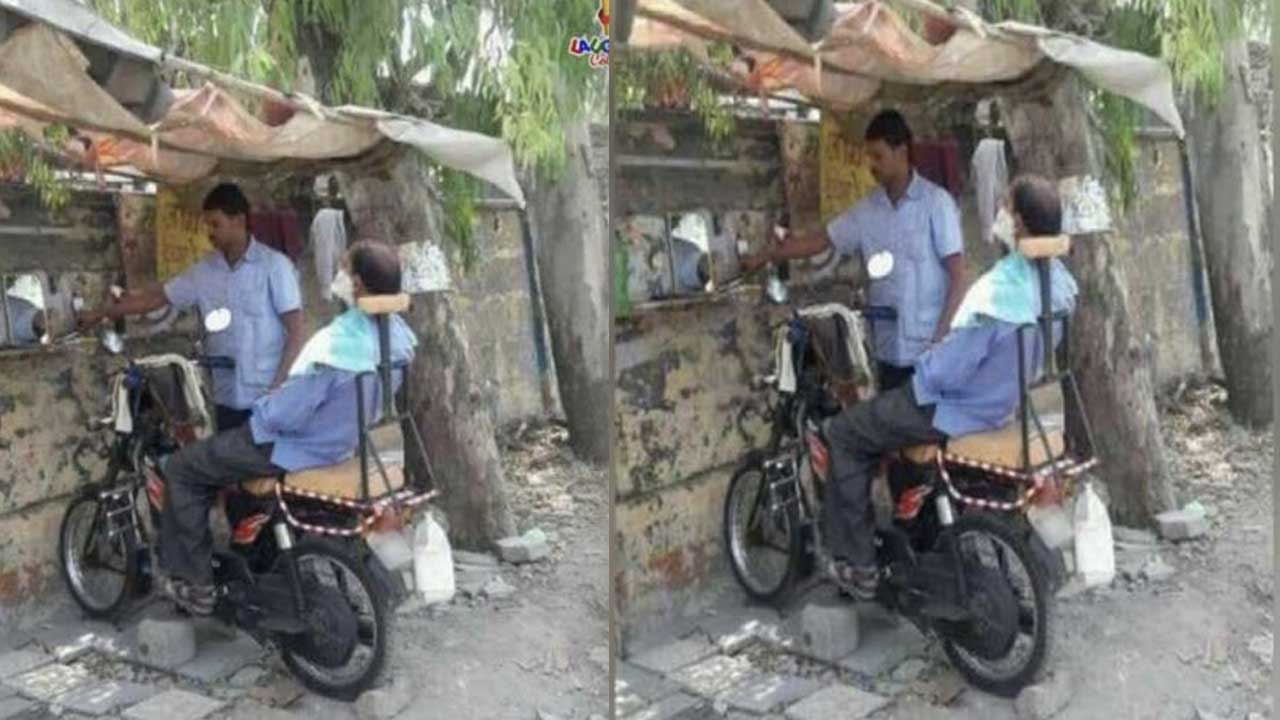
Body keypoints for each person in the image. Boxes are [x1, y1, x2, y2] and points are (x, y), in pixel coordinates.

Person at [823, 175, 1079, 599]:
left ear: (1018, 226)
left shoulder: (999, 293)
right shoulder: (1059, 287)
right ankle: (917, 534)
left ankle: (859, 564)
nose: (997, 214)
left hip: (951, 409)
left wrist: (928, 357)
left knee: (846, 433)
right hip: (1002, 403)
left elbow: (945, 373)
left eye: (1004, 208)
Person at [159, 240, 417, 615]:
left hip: (290, 446)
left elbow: (285, 415)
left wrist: (265, 403)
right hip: (342, 443)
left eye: (344, 270)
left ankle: (196, 585)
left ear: (358, 284)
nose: (339, 277)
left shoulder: (338, 344)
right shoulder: (398, 340)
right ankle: (258, 558)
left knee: (184, 469)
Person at [744, 109, 967, 391]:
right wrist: (766, 256)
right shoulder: (867, 211)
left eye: (878, 156)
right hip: (888, 353)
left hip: (930, 352)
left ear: (901, 151)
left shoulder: (937, 204)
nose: (871, 165)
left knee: (933, 432)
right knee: (892, 430)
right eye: (869, 157)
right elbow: (820, 240)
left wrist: (941, 338)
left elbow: (958, 277)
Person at [79, 183, 305, 431]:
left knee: (271, 467)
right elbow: (157, 298)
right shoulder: (204, 271)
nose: (209, 232)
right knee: (229, 466)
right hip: (226, 399)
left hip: (268, 398)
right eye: (207, 224)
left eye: (215, 224)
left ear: (239, 220)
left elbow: (296, 333)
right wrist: (101, 313)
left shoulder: (274, 267)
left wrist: (279, 388)